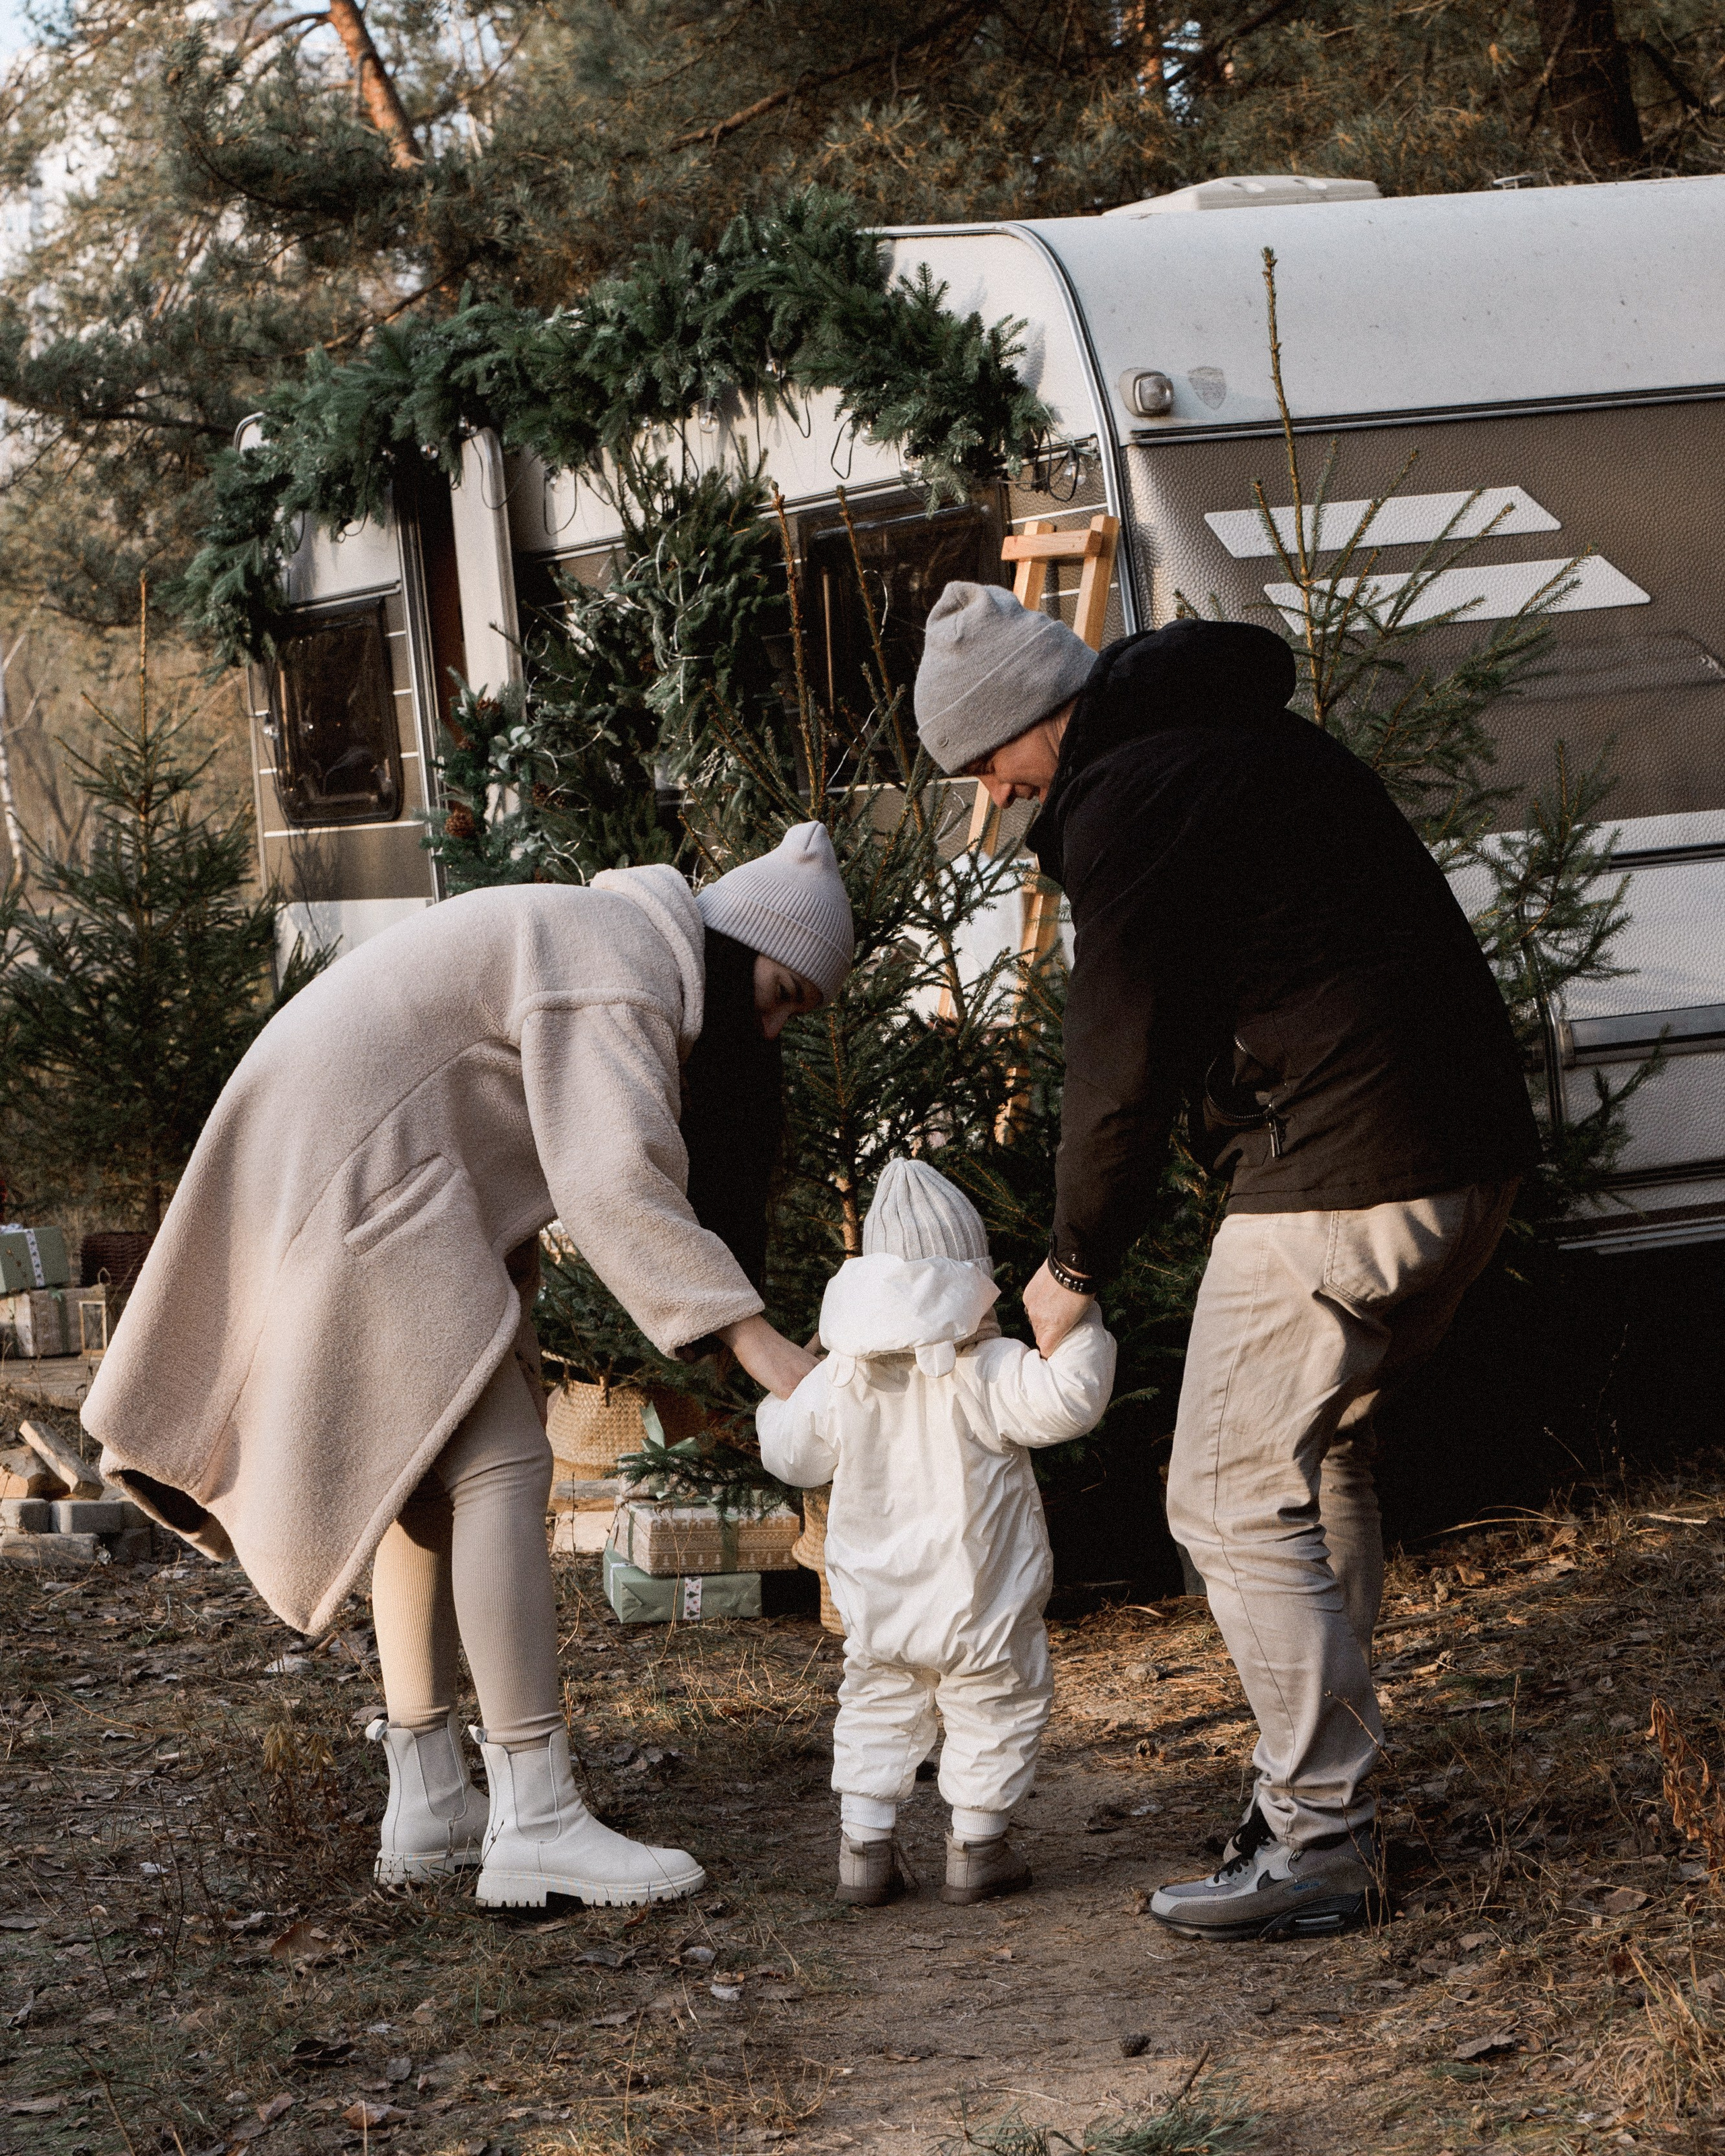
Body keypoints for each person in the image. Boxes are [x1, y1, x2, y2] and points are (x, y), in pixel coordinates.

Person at [914, 585, 1540, 1942]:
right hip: (1463, 1151)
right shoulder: (1244, 741)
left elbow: (1117, 1051)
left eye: (982, 763)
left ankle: (1320, 1834)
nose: (988, 796)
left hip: (1343, 1170)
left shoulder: (1125, 796)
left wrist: (1072, 1261)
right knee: (1317, 1464)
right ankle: (1315, 1798)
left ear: (1029, 719)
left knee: (1219, 1498)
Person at [83, 823, 854, 1911]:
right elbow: (612, 1181)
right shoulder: (625, 962)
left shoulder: (604, 940)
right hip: (362, 1164)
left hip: (356, 1155)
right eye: (780, 994)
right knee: (502, 1466)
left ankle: (431, 1792)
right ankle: (535, 1814)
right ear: (734, 949)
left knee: (431, 1463)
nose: (773, 1028)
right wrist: (765, 1350)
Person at [757, 1157, 1116, 1907]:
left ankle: (865, 1850)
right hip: (980, 1600)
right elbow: (1071, 1399)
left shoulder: (840, 1378)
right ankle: (978, 1847)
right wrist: (1078, 1323)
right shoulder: (989, 1368)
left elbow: (791, 1454)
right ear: (970, 1277)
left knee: (877, 1700)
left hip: (878, 1605)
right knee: (995, 1702)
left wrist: (776, 1404)